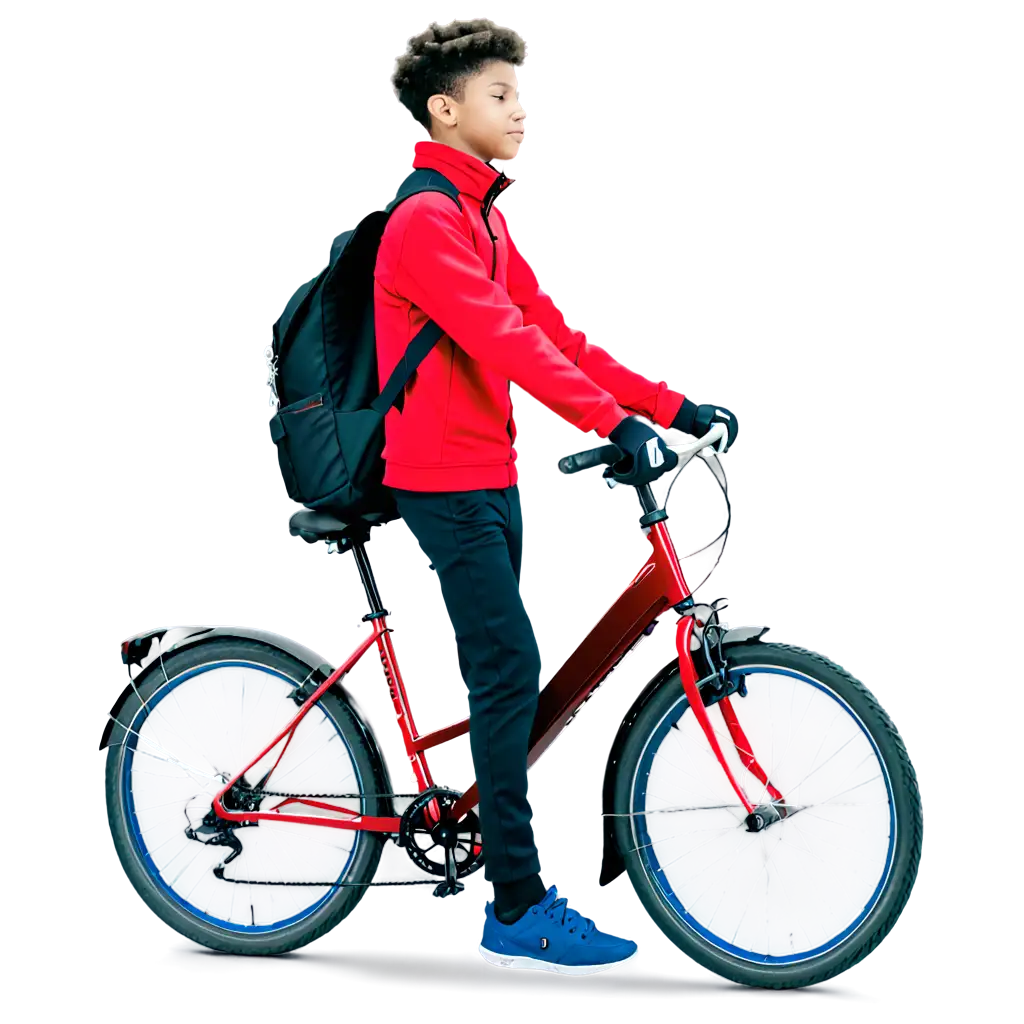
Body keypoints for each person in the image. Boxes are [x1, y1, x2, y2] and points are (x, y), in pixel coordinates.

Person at [375, 18, 740, 975]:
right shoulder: (425, 224)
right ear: (445, 112)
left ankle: (489, 828)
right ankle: (515, 908)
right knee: (505, 674)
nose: (521, 110)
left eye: (518, 94)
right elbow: (506, 344)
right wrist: (613, 428)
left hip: (489, 475)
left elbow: (558, 338)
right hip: (443, 483)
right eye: (500, 96)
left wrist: (665, 401)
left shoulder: (485, 221)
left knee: (511, 674)